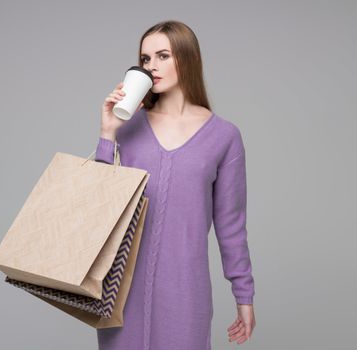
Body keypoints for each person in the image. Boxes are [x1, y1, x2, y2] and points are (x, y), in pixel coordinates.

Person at [94, 20, 256, 350]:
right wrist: (107, 134)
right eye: (145, 59)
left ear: (188, 59)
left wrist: (244, 295)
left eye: (162, 56)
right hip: (120, 292)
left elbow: (231, 226)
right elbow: (99, 205)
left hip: (186, 292)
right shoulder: (127, 128)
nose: (151, 66)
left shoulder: (224, 137)